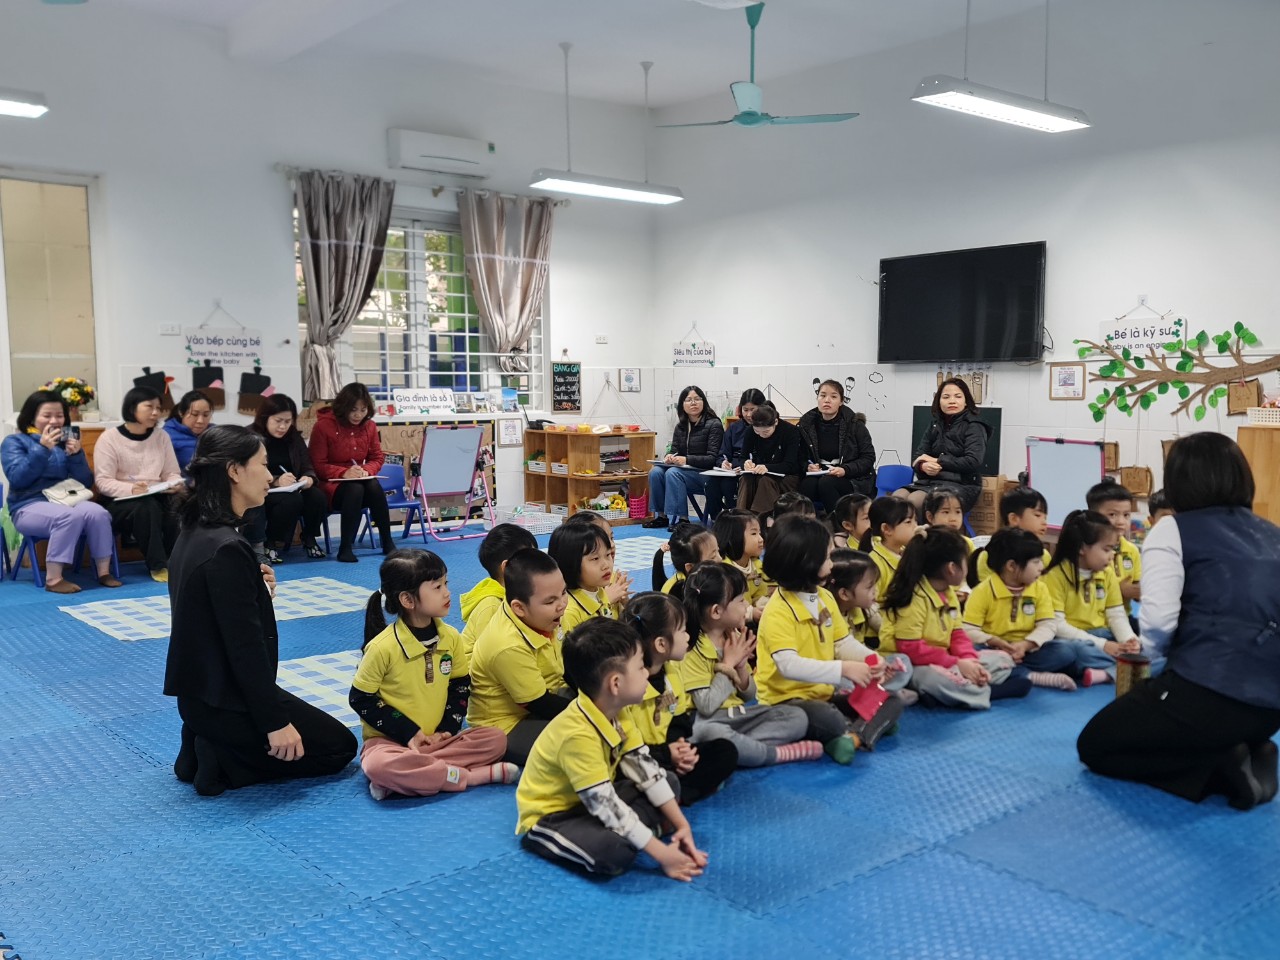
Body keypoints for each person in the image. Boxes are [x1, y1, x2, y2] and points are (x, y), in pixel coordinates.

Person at [1077, 433, 1280, 811]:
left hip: (1208, 690)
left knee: (1096, 745)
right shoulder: (1271, 533)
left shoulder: (1173, 529)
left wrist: (1152, 669)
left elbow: (1158, 623)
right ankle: (1244, 748)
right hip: (1271, 710)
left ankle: (1223, 769)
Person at [163, 425, 357, 796]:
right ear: (234, 471)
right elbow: (245, 648)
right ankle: (221, 759)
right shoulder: (227, 549)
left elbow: (210, 610)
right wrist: (274, 722)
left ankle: (205, 741)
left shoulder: (198, 528)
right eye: (263, 465)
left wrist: (252, 581)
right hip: (226, 702)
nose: (270, 476)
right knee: (339, 748)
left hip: (199, 698)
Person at [516, 617, 708, 880]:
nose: (647, 672)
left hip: (593, 798)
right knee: (613, 852)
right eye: (640, 666)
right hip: (555, 815)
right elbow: (604, 803)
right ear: (616, 684)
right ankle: (549, 838)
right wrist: (664, 855)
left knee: (669, 782)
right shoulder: (577, 735)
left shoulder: (618, 710)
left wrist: (682, 825)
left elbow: (645, 769)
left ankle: (634, 833)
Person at [352, 549, 517, 801]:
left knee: (495, 739)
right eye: (437, 587)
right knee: (378, 765)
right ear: (408, 600)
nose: (447, 592)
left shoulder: (450, 637)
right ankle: (468, 776)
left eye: (446, 583)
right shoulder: (382, 647)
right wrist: (408, 733)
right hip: (390, 743)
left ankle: (411, 776)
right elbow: (360, 699)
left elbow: (460, 685)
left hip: (437, 741)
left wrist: (447, 729)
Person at [756, 516, 904, 758]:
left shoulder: (824, 597)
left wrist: (873, 660)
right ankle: (865, 726)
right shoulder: (777, 612)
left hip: (824, 695)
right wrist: (844, 669)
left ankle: (855, 737)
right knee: (827, 718)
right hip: (786, 701)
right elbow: (788, 666)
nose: (832, 563)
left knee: (892, 699)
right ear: (806, 563)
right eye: (827, 557)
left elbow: (841, 642)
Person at [679, 562, 819, 767]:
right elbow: (706, 706)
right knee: (710, 733)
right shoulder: (692, 647)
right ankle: (773, 754)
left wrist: (741, 669)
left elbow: (751, 696)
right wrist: (728, 664)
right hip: (707, 721)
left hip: (738, 717)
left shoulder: (732, 637)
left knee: (796, 717)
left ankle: (739, 750)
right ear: (716, 611)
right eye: (740, 600)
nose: (747, 606)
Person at [880, 526, 1031, 709]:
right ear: (952, 568)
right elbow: (911, 650)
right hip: (914, 663)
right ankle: (988, 692)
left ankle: (957, 688)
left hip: (946, 658)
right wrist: (957, 663)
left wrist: (969, 660)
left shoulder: (948, 592)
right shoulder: (914, 598)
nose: (968, 567)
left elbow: (957, 633)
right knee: (931, 678)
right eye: (965, 561)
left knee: (1002, 658)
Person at [621, 591, 738, 804]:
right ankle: (673, 794)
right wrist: (667, 755)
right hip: (640, 759)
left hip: (669, 754)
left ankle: (671, 795)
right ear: (661, 644)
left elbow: (680, 720)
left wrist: (680, 750)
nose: (688, 637)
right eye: (683, 631)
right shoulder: (629, 688)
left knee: (725, 751)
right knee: (634, 779)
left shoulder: (673, 671)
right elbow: (625, 750)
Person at [1, 389, 122, 593]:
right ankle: (54, 579)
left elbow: (85, 482)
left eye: (59, 415)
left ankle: (104, 572)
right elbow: (18, 479)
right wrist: (42, 449)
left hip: (65, 500)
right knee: (68, 516)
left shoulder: (65, 442)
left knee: (98, 513)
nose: (54, 421)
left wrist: (76, 455)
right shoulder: (14, 442)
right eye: (47, 415)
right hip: (27, 505)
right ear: (32, 416)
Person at [467, 548, 571, 765]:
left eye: (564, 592)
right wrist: (593, 713)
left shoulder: (546, 617)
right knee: (584, 741)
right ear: (519, 608)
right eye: (550, 601)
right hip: (507, 725)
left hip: (546, 694)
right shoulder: (507, 645)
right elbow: (539, 703)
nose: (562, 604)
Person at [963, 528, 1081, 691]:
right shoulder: (982, 591)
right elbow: (968, 630)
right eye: (1036, 562)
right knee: (972, 653)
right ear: (1011, 566)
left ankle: (1010, 674)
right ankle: (1030, 676)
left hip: (1028, 651)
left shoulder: (1040, 588)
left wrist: (1026, 645)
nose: (1041, 567)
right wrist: (992, 641)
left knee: (1066, 651)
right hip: (993, 650)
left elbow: (1048, 624)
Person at [1040, 510, 1142, 687]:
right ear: (1082, 548)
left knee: (1149, 645)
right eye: (1106, 549)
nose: (1112, 556)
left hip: (1103, 633)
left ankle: (1106, 673)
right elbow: (1057, 626)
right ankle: (1125, 668)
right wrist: (1104, 645)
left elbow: (1116, 615)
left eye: (1113, 549)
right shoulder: (1055, 576)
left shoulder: (1107, 574)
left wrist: (1129, 641)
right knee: (1069, 652)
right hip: (1072, 639)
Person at [93, 385, 184, 583]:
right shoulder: (109, 438)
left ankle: (176, 561)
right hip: (119, 501)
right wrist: (130, 489)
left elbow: (171, 472)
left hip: (156, 493)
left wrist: (174, 483)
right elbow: (103, 481)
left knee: (180, 502)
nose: (155, 412)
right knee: (146, 506)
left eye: (158, 408)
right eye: (149, 407)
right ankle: (158, 565)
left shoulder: (161, 436)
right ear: (132, 407)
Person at [307, 382, 393, 563]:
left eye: (363, 410)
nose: (358, 415)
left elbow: (377, 457)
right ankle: (345, 547)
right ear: (343, 406)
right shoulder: (323, 427)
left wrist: (366, 470)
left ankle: (387, 542)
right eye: (353, 409)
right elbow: (317, 465)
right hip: (330, 485)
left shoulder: (369, 426)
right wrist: (344, 473)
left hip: (359, 480)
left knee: (373, 485)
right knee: (355, 488)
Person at [243, 394, 328, 563]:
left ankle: (309, 538)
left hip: (292, 487)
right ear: (265, 417)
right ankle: (270, 542)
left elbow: (307, 465)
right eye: (278, 421)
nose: (283, 426)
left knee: (317, 497)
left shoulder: (293, 437)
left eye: (288, 422)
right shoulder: (251, 436)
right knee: (291, 500)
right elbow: (249, 472)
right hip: (264, 490)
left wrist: (309, 478)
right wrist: (276, 481)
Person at [825, 547, 916, 703]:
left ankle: (878, 695)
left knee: (902, 660)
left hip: (866, 665)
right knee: (840, 683)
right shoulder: (827, 615)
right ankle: (882, 695)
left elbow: (884, 628)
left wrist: (882, 664)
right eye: (869, 587)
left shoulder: (864, 608)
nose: (875, 591)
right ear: (844, 594)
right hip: (846, 671)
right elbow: (838, 655)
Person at [897, 378, 989, 514]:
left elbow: (973, 461)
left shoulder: (974, 426)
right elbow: (919, 457)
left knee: (915, 500)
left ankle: (924, 529)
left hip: (962, 484)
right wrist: (923, 466)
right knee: (897, 498)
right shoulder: (934, 425)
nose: (952, 401)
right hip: (930, 482)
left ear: (966, 401)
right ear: (939, 401)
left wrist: (937, 461)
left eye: (958, 396)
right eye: (946, 397)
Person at [643, 385, 723, 530]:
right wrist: (669, 457)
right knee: (656, 472)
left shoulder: (714, 424)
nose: (693, 403)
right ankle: (661, 516)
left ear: (704, 402)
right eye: (689, 400)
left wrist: (686, 459)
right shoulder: (681, 426)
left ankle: (683, 519)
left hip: (705, 474)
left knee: (673, 473)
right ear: (682, 405)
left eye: (697, 399)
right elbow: (674, 450)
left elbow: (712, 458)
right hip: (685, 472)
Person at [460, 523, 539, 659]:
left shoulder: (516, 593)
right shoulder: (491, 605)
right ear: (507, 567)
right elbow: (490, 655)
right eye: (530, 558)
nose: (539, 563)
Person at [797, 379, 876, 509]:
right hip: (820, 474)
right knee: (807, 485)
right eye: (822, 395)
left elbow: (868, 458)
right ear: (817, 398)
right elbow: (800, 456)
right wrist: (807, 466)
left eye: (833, 397)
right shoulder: (806, 425)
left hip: (852, 478)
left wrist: (845, 470)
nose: (827, 400)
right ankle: (805, 519)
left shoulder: (855, 425)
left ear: (841, 401)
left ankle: (837, 520)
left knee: (826, 483)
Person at [549, 522, 630, 635]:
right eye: (595, 559)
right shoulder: (569, 612)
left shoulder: (601, 590)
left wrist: (626, 603)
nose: (606, 565)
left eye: (608, 555)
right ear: (570, 563)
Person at [732, 403, 805, 515]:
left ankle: (762, 518)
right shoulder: (750, 431)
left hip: (787, 477)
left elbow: (790, 464)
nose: (761, 435)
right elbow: (743, 457)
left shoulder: (790, 431)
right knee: (746, 478)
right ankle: (741, 516)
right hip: (759, 475)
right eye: (757, 431)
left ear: (775, 422)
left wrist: (767, 467)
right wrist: (745, 464)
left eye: (766, 431)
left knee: (765, 481)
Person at [704, 388, 765, 521]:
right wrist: (723, 463)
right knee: (711, 484)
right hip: (731, 471)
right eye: (745, 410)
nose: (749, 414)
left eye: (753, 409)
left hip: (751, 472)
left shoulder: (765, 428)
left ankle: (736, 520)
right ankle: (716, 519)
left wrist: (746, 465)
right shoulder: (734, 428)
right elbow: (722, 454)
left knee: (728, 484)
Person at [1086, 479, 1142, 614]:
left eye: (1126, 515)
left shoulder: (1132, 550)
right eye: (1112, 515)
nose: (1121, 522)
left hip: (1124, 617)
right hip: (1096, 620)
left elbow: (1136, 585)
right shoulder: (1088, 550)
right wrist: (1120, 590)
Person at [974, 486, 1052, 582]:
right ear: (1014, 519)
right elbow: (986, 588)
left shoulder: (1044, 556)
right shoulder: (990, 554)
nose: (1044, 522)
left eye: (1045, 518)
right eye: (1038, 515)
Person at [712, 508, 769, 624]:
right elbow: (726, 606)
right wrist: (751, 613)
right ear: (734, 537)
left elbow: (761, 594)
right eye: (754, 534)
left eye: (759, 533)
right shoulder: (723, 571)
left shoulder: (757, 566)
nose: (761, 539)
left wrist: (764, 605)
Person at [858, 496, 918, 604]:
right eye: (908, 522)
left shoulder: (908, 552)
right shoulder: (875, 565)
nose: (916, 526)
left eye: (916, 521)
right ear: (886, 529)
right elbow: (871, 605)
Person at [652, 521, 720, 596]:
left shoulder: (712, 580)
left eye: (718, 551)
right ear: (690, 567)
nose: (720, 559)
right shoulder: (677, 593)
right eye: (713, 557)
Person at [163, 390, 214, 477]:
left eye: (206, 415)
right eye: (194, 414)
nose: (200, 421)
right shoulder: (166, 436)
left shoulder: (216, 432)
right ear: (181, 413)